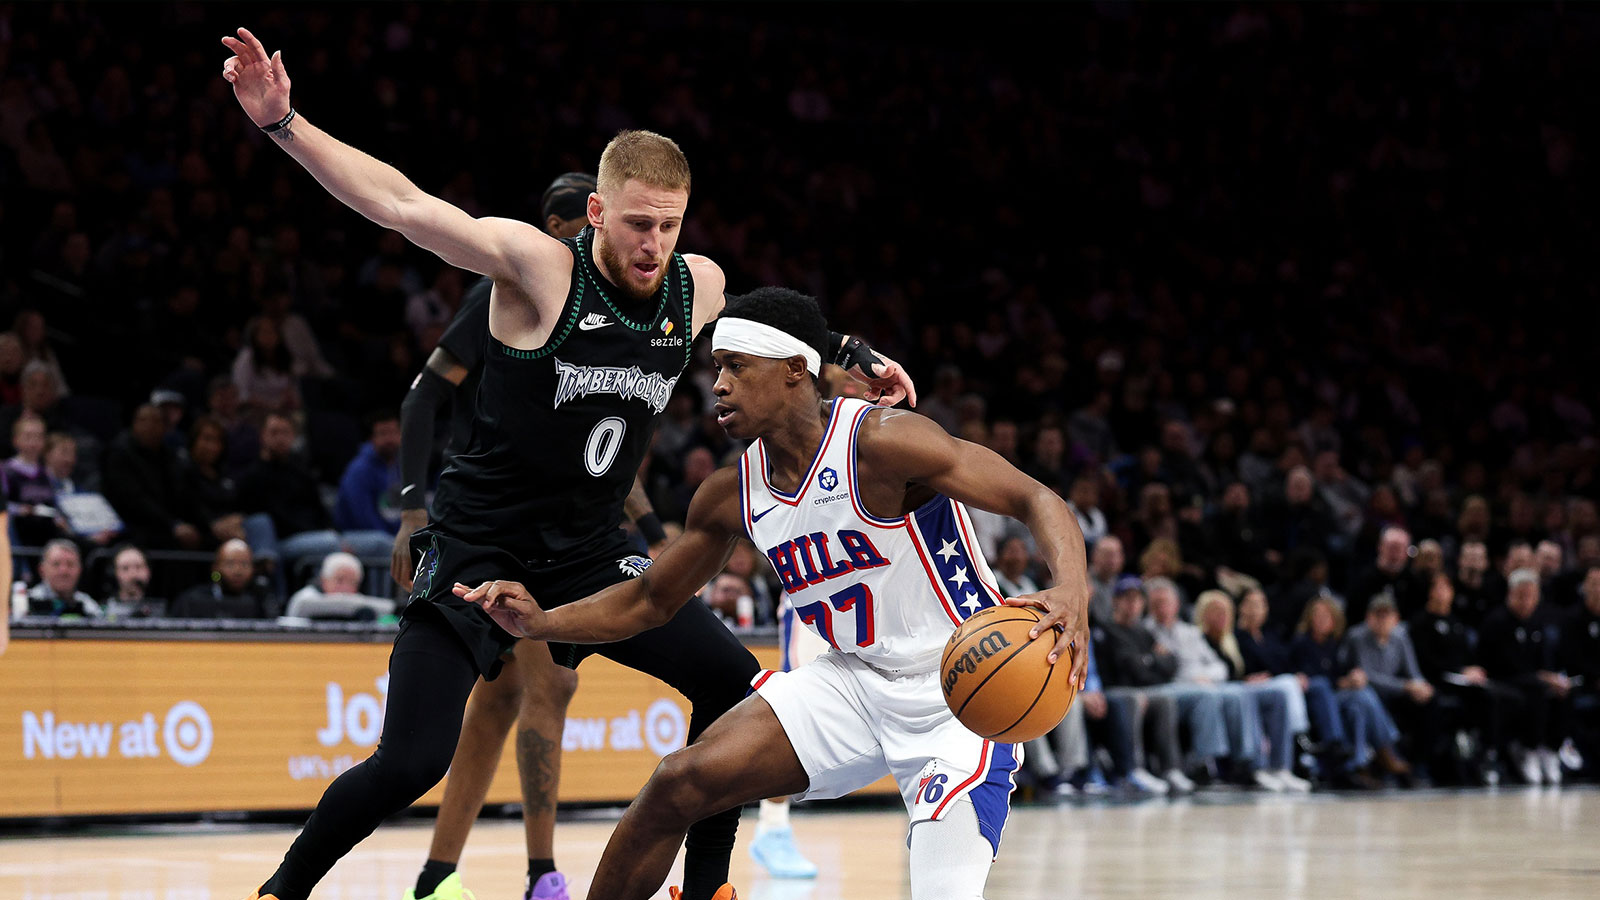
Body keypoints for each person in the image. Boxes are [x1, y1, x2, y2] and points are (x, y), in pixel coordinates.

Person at [220, 29, 912, 900]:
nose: (653, 244)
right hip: (481, 547)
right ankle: (280, 890)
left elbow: (775, 329)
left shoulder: (694, 284)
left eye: (668, 225)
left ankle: (705, 891)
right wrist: (283, 123)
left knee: (737, 688)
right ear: (596, 215)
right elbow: (401, 204)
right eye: (635, 224)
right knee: (412, 761)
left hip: (589, 552)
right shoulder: (539, 271)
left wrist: (856, 354)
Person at [452, 288, 1088, 900]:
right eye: (715, 368)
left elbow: (1036, 498)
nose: (717, 384)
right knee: (678, 782)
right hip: (852, 683)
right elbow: (648, 600)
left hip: (961, 686)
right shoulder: (731, 494)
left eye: (735, 366)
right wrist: (542, 621)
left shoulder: (884, 444)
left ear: (792, 371)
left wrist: (1071, 594)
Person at [333, 412, 403, 537]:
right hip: (358, 536)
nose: (389, 439)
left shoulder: (402, 466)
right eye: (383, 434)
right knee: (382, 542)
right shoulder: (359, 470)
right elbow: (363, 517)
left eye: (394, 432)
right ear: (371, 439)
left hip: (392, 536)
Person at [171, 539, 276, 619]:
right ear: (215, 568)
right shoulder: (192, 600)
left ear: (253, 569)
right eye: (230, 564)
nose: (238, 571)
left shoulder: (260, 602)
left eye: (244, 564)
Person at [287, 551, 395, 620]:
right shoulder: (304, 598)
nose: (345, 588)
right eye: (339, 580)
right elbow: (304, 605)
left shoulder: (361, 603)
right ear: (324, 580)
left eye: (352, 582)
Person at [24, 538, 101, 619]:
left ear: (80, 570)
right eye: (56, 564)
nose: (64, 571)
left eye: (70, 564)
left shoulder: (88, 605)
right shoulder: (27, 604)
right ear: (42, 570)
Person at [103, 544, 163, 620]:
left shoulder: (161, 610)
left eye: (138, 567)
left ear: (148, 571)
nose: (133, 575)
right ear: (115, 573)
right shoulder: (104, 611)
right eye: (125, 568)